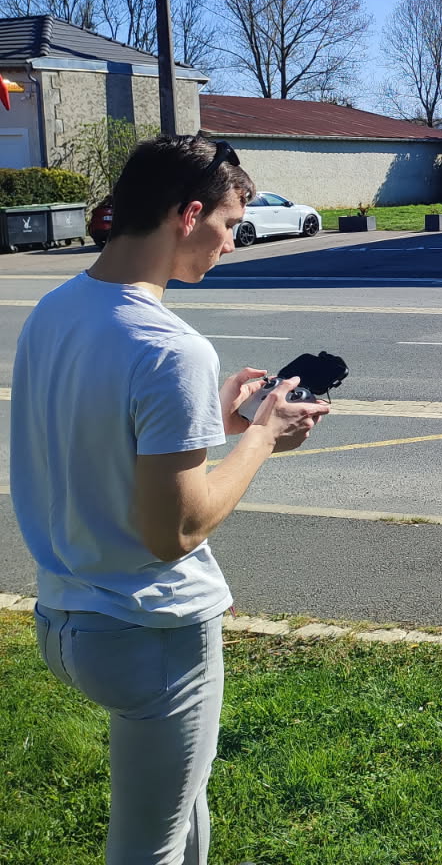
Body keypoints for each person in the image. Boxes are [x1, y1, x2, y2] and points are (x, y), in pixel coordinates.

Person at [10, 135, 330, 864]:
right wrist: (261, 437)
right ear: (188, 215)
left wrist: (211, 420)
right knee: (148, 848)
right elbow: (175, 531)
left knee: (183, 807)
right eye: (228, 224)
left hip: (65, 616)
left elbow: (95, 441)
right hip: (148, 632)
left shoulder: (55, 308)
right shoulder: (170, 346)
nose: (231, 243)